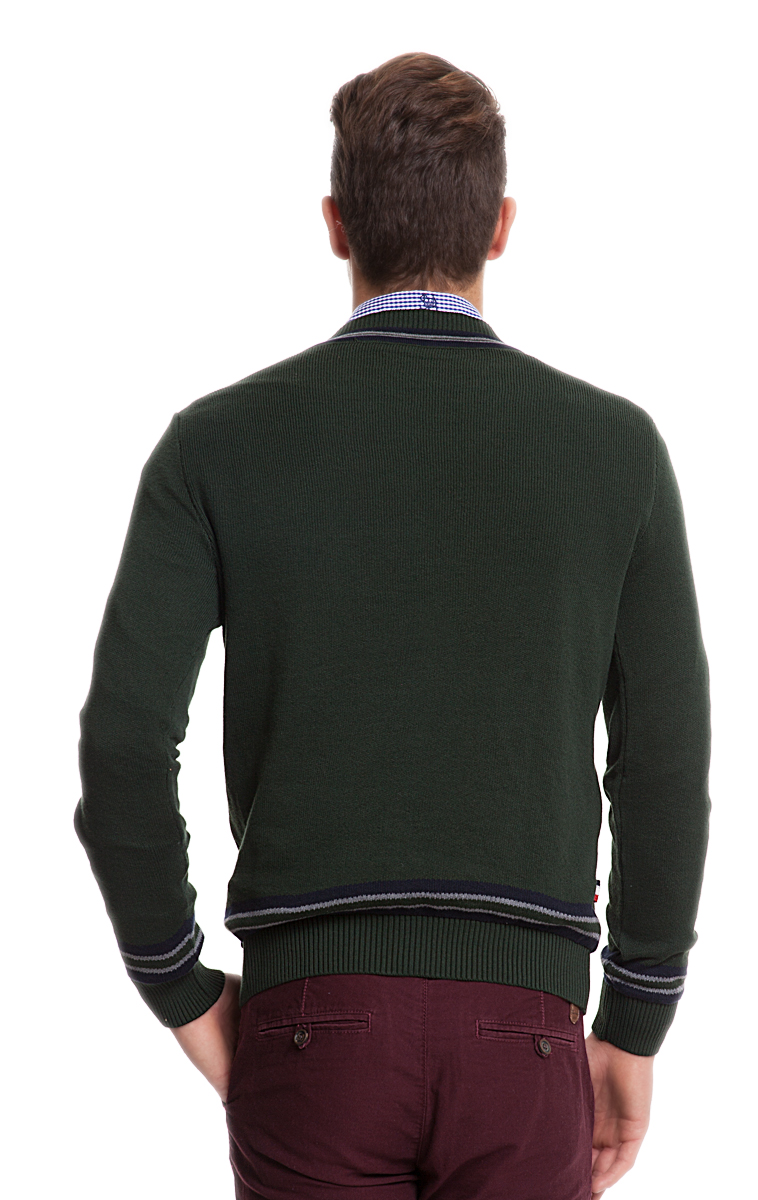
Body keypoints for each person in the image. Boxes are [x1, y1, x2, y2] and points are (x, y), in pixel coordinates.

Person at [75, 52, 711, 1200]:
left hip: (306, 1032)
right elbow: (661, 764)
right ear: (500, 226)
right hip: (524, 1036)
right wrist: (635, 1017)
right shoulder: (614, 452)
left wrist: (181, 989)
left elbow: (123, 746)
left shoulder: (215, 446)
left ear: (335, 225)